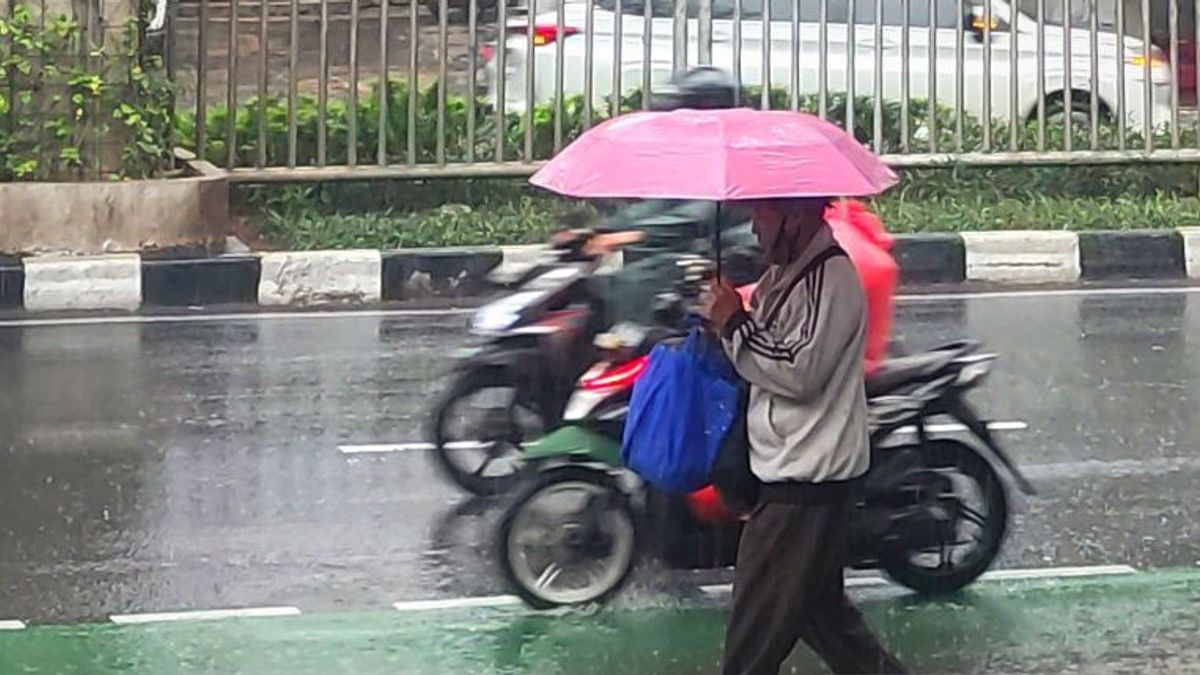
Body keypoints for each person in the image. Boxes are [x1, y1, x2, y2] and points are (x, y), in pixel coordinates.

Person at [703, 198, 906, 675]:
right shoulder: (786, 274)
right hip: (790, 469)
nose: (754, 229)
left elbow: (797, 373)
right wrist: (726, 325)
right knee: (829, 625)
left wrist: (735, 322)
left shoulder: (829, 278)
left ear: (794, 215)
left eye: (762, 217)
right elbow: (766, 351)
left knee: (750, 646)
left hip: (803, 483)